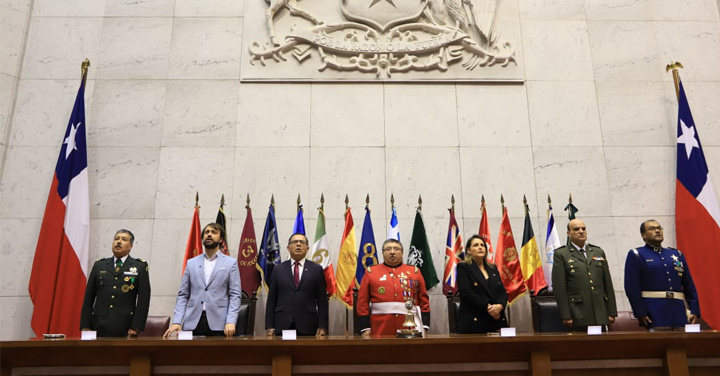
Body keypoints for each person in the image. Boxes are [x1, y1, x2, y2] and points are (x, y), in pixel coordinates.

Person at [163, 223, 242, 338]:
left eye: (214, 232)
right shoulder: (191, 263)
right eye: (207, 232)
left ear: (221, 239)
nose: (209, 234)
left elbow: (235, 295)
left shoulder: (230, 263)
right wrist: (177, 321)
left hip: (220, 323)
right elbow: (183, 295)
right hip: (192, 322)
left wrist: (230, 321)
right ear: (202, 238)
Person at [624, 220, 700, 330]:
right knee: (659, 344)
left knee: (681, 344)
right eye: (652, 229)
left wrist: (694, 310)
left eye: (659, 228)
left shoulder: (676, 254)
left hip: (678, 311)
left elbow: (689, 285)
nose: (657, 231)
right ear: (643, 235)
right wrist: (640, 313)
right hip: (654, 311)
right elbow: (632, 288)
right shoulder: (637, 255)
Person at [80, 229, 150, 337]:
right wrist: (85, 325)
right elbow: (88, 297)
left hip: (125, 326)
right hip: (98, 324)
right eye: (116, 239)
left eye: (124, 239)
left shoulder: (140, 266)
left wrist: (136, 327)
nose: (119, 242)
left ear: (131, 245)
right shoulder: (100, 265)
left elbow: (143, 300)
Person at [552, 219, 617, 331]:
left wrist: (611, 311)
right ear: (568, 233)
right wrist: (566, 315)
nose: (581, 231)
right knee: (582, 347)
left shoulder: (598, 252)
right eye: (576, 229)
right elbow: (560, 288)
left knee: (601, 346)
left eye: (583, 228)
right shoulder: (562, 254)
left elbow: (607, 283)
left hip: (600, 311)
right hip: (578, 312)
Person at [357, 239, 430, 337]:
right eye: (388, 249)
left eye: (396, 249)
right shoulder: (371, 272)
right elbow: (362, 303)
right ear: (382, 253)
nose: (392, 252)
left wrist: (424, 327)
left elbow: (424, 301)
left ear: (402, 252)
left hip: (410, 327)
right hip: (380, 327)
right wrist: (365, 328)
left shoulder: (414, 272)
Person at [265, 233, 329, 337]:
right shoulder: (278, 269)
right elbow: (272, 299)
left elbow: (322, 301)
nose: (298, 244)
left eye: (302, 242)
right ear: (288, 247)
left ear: (307, 248)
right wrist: (269, 326)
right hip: (282, 323)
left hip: (308, 324)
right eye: (295, 242)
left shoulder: (316, 270)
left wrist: (322, 326)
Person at [456, 235, 507, 334]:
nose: (480, 247)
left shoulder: (493, 268)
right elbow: (466, 293)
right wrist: (490, 308)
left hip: (496, 320)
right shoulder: (464, 267)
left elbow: (502, 292)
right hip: (474, 322)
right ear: (468, 250)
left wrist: (500, 306)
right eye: (476, 245)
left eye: (482, 245)